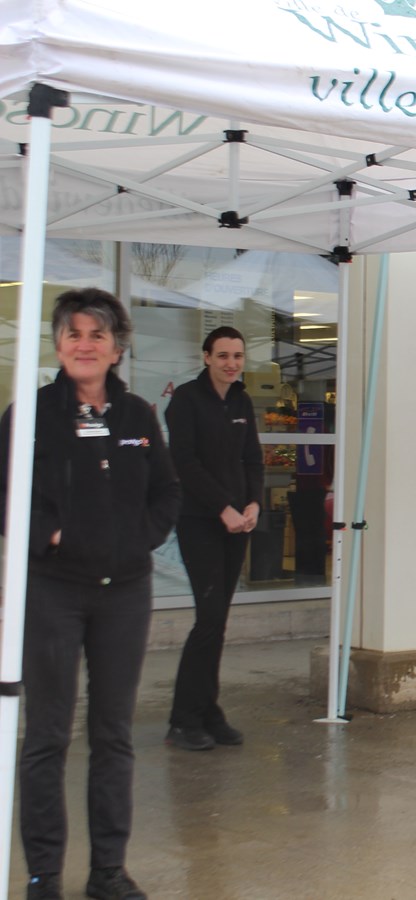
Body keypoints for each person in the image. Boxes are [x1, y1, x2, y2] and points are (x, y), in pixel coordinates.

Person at [0, 288, 180, 900]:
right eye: (74, 333)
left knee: (113, 734)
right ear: (57, 344)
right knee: (48, 735)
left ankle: (108, 871)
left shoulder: (136, 417)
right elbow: (4, 495)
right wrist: (50, 534)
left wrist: (137, 542)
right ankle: (43, 875)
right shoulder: (30, 414)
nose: (84, 344)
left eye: (97, 335)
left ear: (116, 347)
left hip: (124, 594)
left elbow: (167, 493)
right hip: (53, 591)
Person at [164, 326, 263, 752]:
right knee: (208, 619)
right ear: (206, 357)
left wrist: (254, 503)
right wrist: (222, 507)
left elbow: (252, 458)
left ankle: (207, 710)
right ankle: (184, 718)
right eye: (223, 355)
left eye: (238, 356)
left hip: (237, 523)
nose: (231, 363)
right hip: (200, 521)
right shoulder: (186, 399)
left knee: (217, 621)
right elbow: (184, 462)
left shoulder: (241, 400)